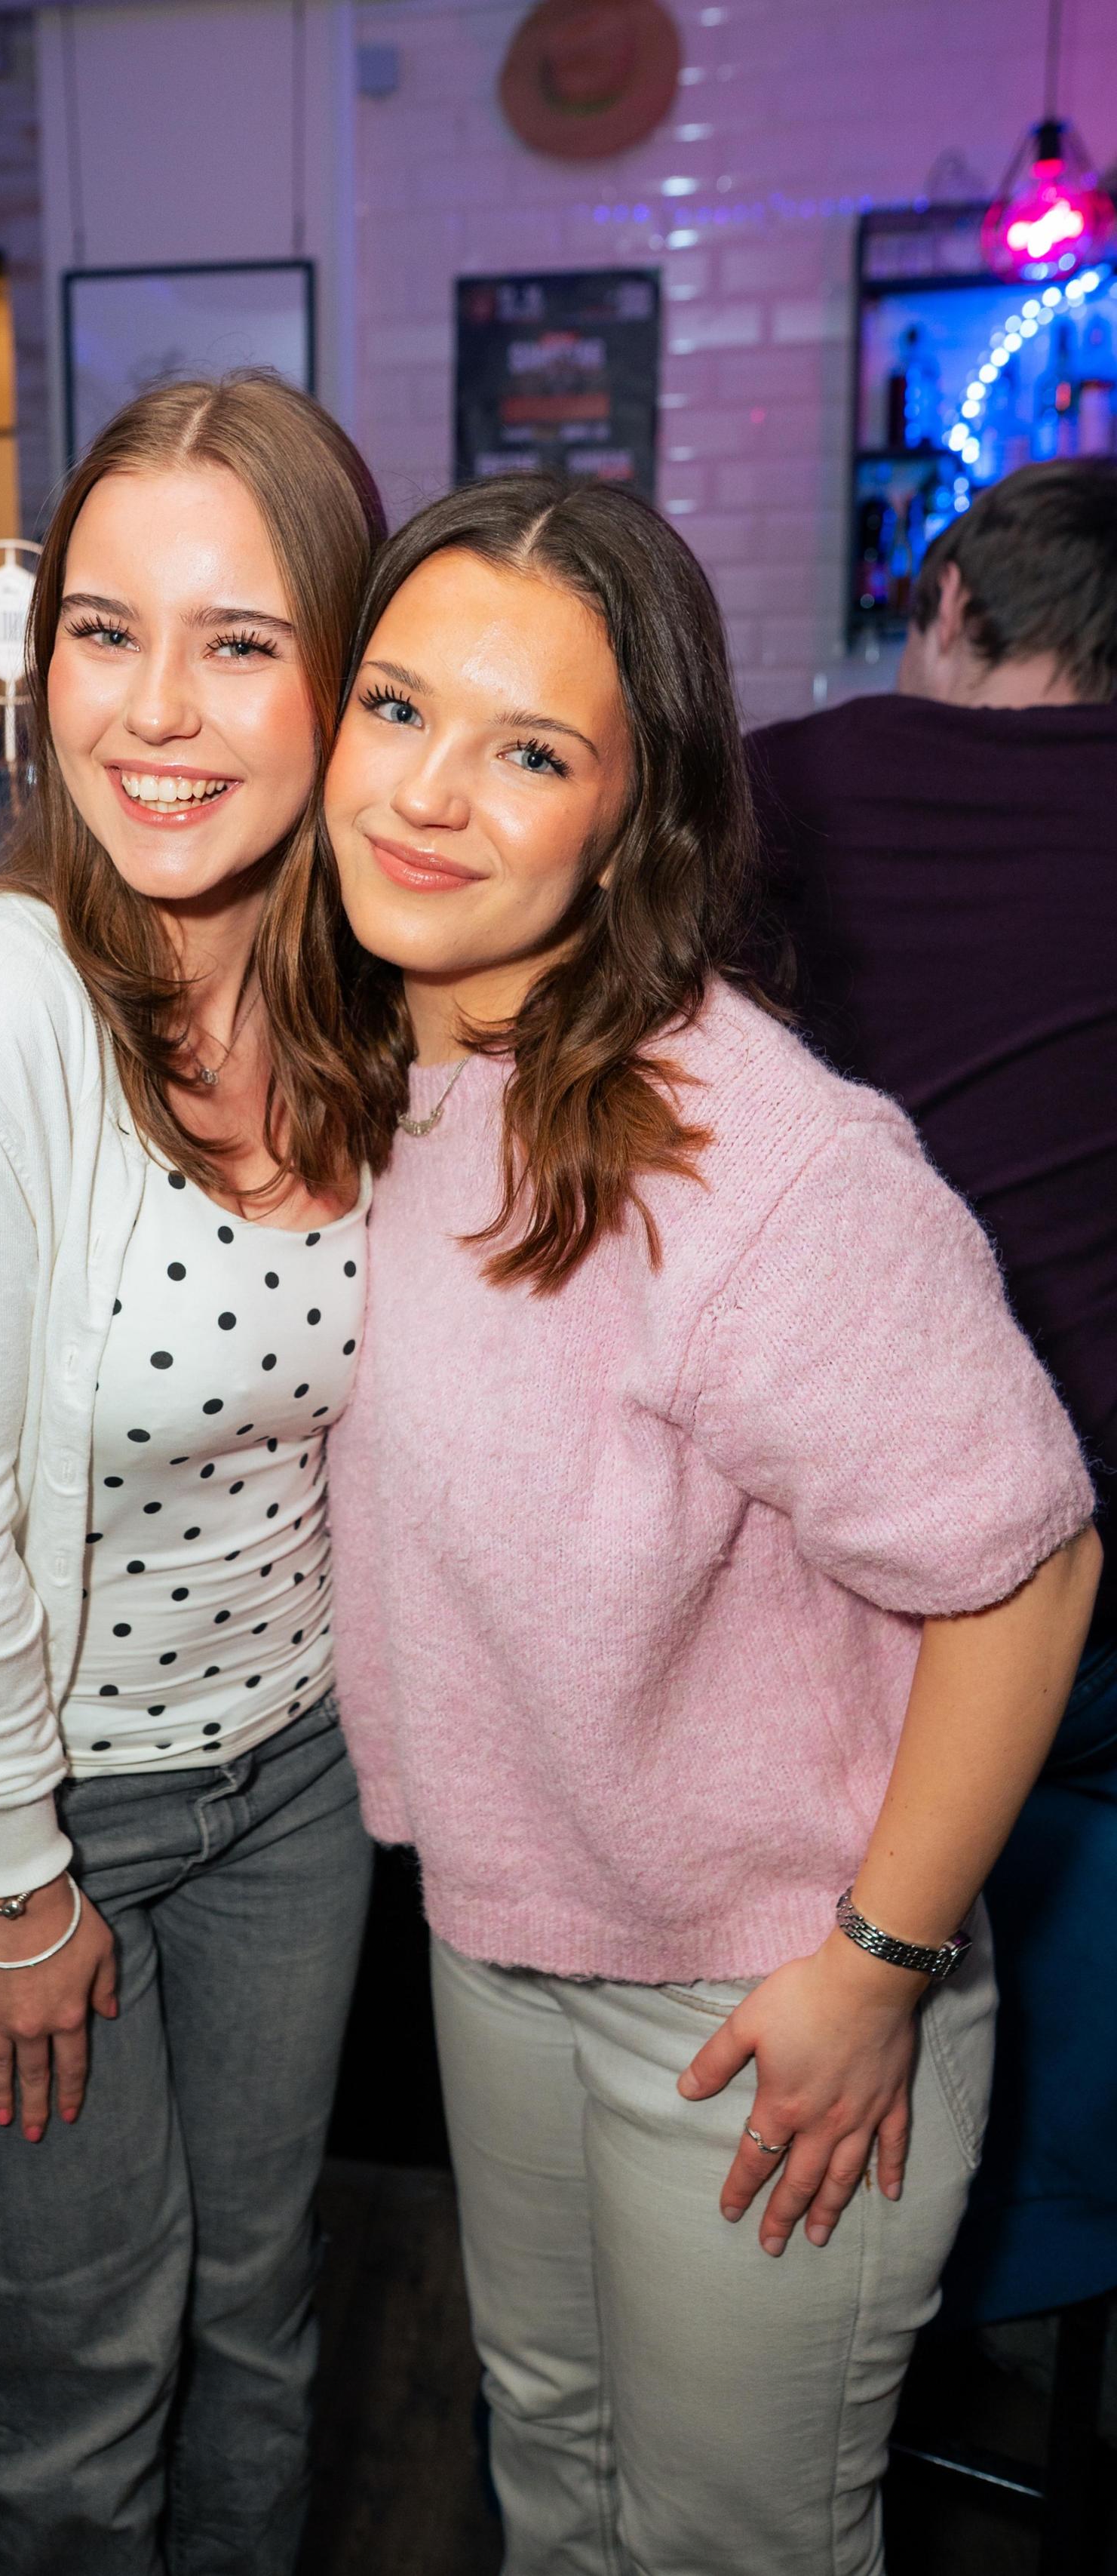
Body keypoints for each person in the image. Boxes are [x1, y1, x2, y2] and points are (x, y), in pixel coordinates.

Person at [298, 475, 1100, 2576]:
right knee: (552, 2458)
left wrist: (876, 1962)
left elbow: (1031, 1568)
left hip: (758, 1981)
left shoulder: (760, 1160)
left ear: (632, 816)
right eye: (398, 706)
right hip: (507, 1931)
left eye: (531, 748)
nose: (432, 794)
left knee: (734, 2539)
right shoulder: (410, 1063)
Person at [0, 376, 386, 2576]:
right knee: (73, 2399)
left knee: (262, 2321)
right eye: (105, 628)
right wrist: (13, 1880)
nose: (156, 709)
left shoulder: (366, 995)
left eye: (241, 639)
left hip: (292, 1787)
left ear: (346, 671)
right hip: (33, 1806)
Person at [747, 457, 1117, 2325]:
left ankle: (841, 2278)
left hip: (824, 1551)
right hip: (1087, 1549)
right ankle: (1039, 2261)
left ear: (957, 606)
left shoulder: (792, 781)